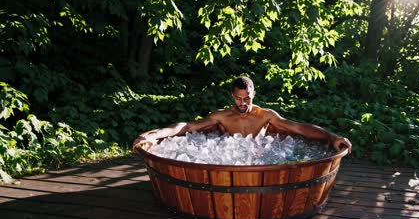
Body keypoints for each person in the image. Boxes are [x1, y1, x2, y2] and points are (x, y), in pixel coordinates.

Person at [133, 76, 352, 153]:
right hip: (229, 155)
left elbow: (298, 128)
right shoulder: (222, 116)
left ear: (253, 94)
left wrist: (332, 137)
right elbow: (187, 127)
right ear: (232, 96)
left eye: (247, 98)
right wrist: (153, 136)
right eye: (238, 98)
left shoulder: (265, 115)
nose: (243, 103)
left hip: (260, 154)